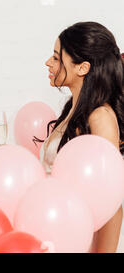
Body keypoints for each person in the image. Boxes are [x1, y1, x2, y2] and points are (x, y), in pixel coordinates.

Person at [41, 22, 123, 252]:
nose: (48, 62)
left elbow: (111, 200)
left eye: (57, 58)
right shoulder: (70, 111)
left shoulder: (100, 117)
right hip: (55, 234)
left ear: (83, 67)